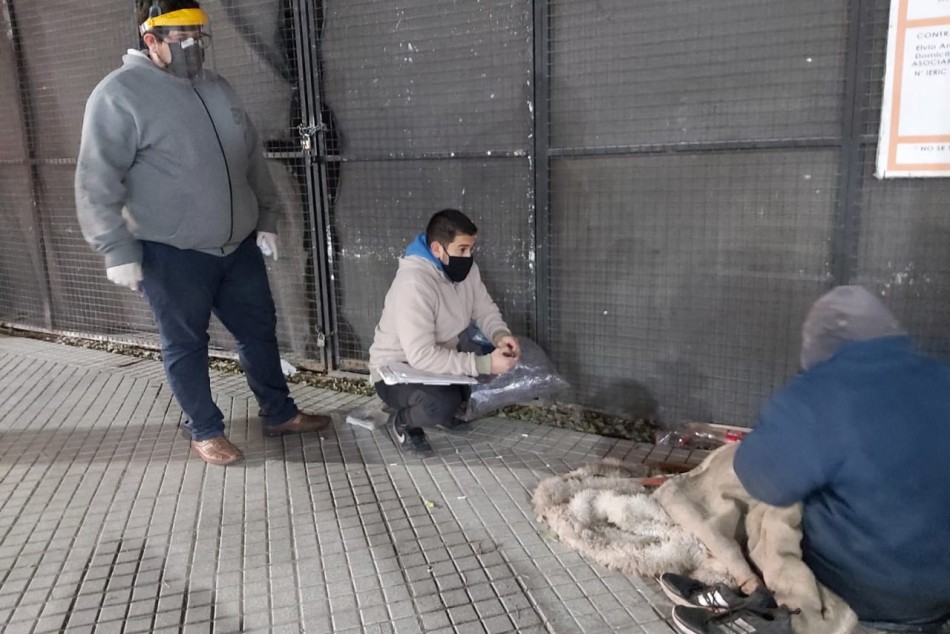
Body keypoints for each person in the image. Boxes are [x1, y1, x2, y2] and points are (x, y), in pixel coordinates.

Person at [75, 0, 330, 466]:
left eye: (199, 34)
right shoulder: (119, 95)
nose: (195, 45)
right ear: (151, 40)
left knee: (259, 333)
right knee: (186, 343)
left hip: (237, 247)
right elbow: (97, 178)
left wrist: (267, 217)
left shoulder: (217, 87)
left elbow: (250, 155)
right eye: (182, 37)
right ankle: (205, 429)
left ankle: (279, 412)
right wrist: (115, 247)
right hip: (169, 252)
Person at [728, 286, 950, 632]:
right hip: (940, 596)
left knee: (770, 510)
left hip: (862, 593)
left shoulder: (823, 392)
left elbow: (758, 474)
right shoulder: (941, 378)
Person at [368, 209, 520, 455]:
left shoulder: (466, 271)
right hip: (396, 371)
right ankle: (404, 423)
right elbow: (421, 355)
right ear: (438, 249)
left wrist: (500, 335)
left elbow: (483, 308)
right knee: (441, 403)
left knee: (467, 387)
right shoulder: (414, 283)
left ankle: (440, 408)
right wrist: (484, 364)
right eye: (462, 250)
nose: (469, 257)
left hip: (430, 365)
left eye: (471, 249)